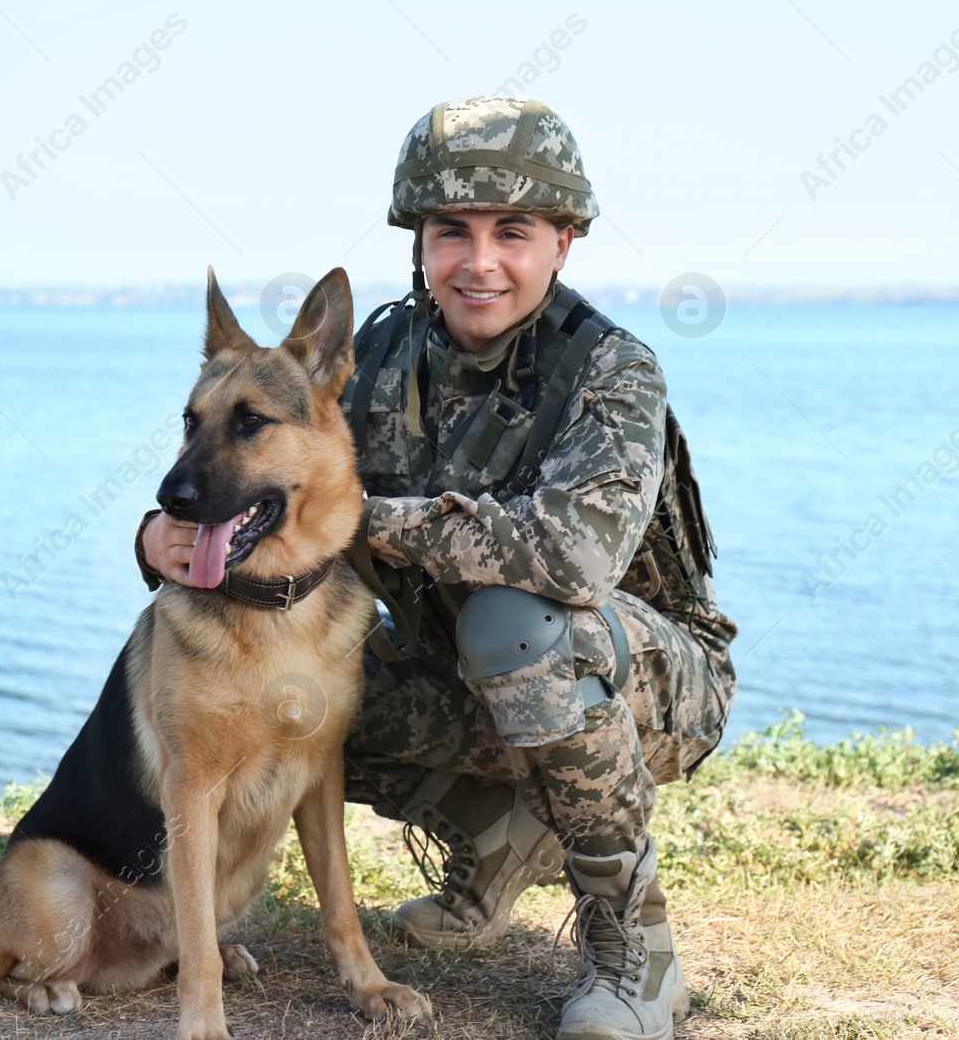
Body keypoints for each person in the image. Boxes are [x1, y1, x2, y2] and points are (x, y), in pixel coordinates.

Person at [136, 95, 738, 1040]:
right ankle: (496, 839)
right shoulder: (375, 356)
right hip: (466, 668)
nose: (480, 259)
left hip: (641, 674)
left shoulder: (610, 371)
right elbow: (276, 482)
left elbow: (569, 557)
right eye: (451, 230)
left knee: (517, 626)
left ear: (564, 242)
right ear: (420, 239)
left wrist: (361, 514)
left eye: (514, 230)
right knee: (287, 695)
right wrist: (160, 537)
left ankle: (634, 946)